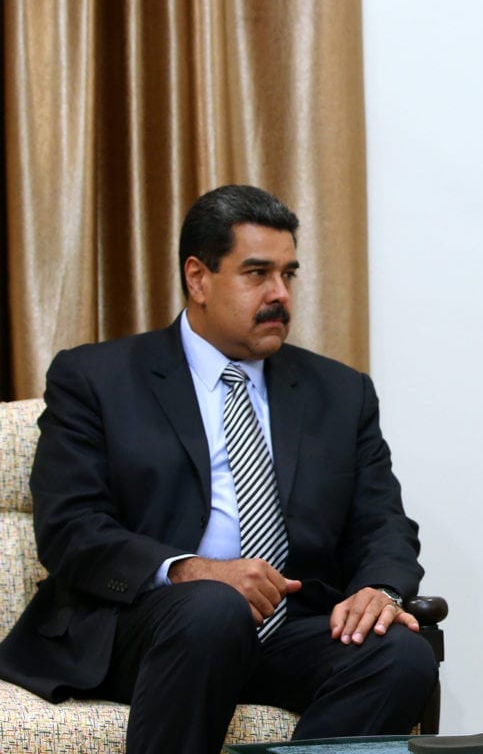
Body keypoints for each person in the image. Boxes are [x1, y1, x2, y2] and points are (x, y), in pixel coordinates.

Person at [0, 185, 438, 754]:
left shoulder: (340, 392)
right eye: (257, 274)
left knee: (401, 655)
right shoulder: (96, 379)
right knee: (213, 607)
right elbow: (69, 528)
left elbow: (383, 522)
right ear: (198, 278)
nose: (279, 294)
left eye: (288, 274)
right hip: (142, 628)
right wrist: (190, 570)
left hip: (284, 629)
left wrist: (381, 590)